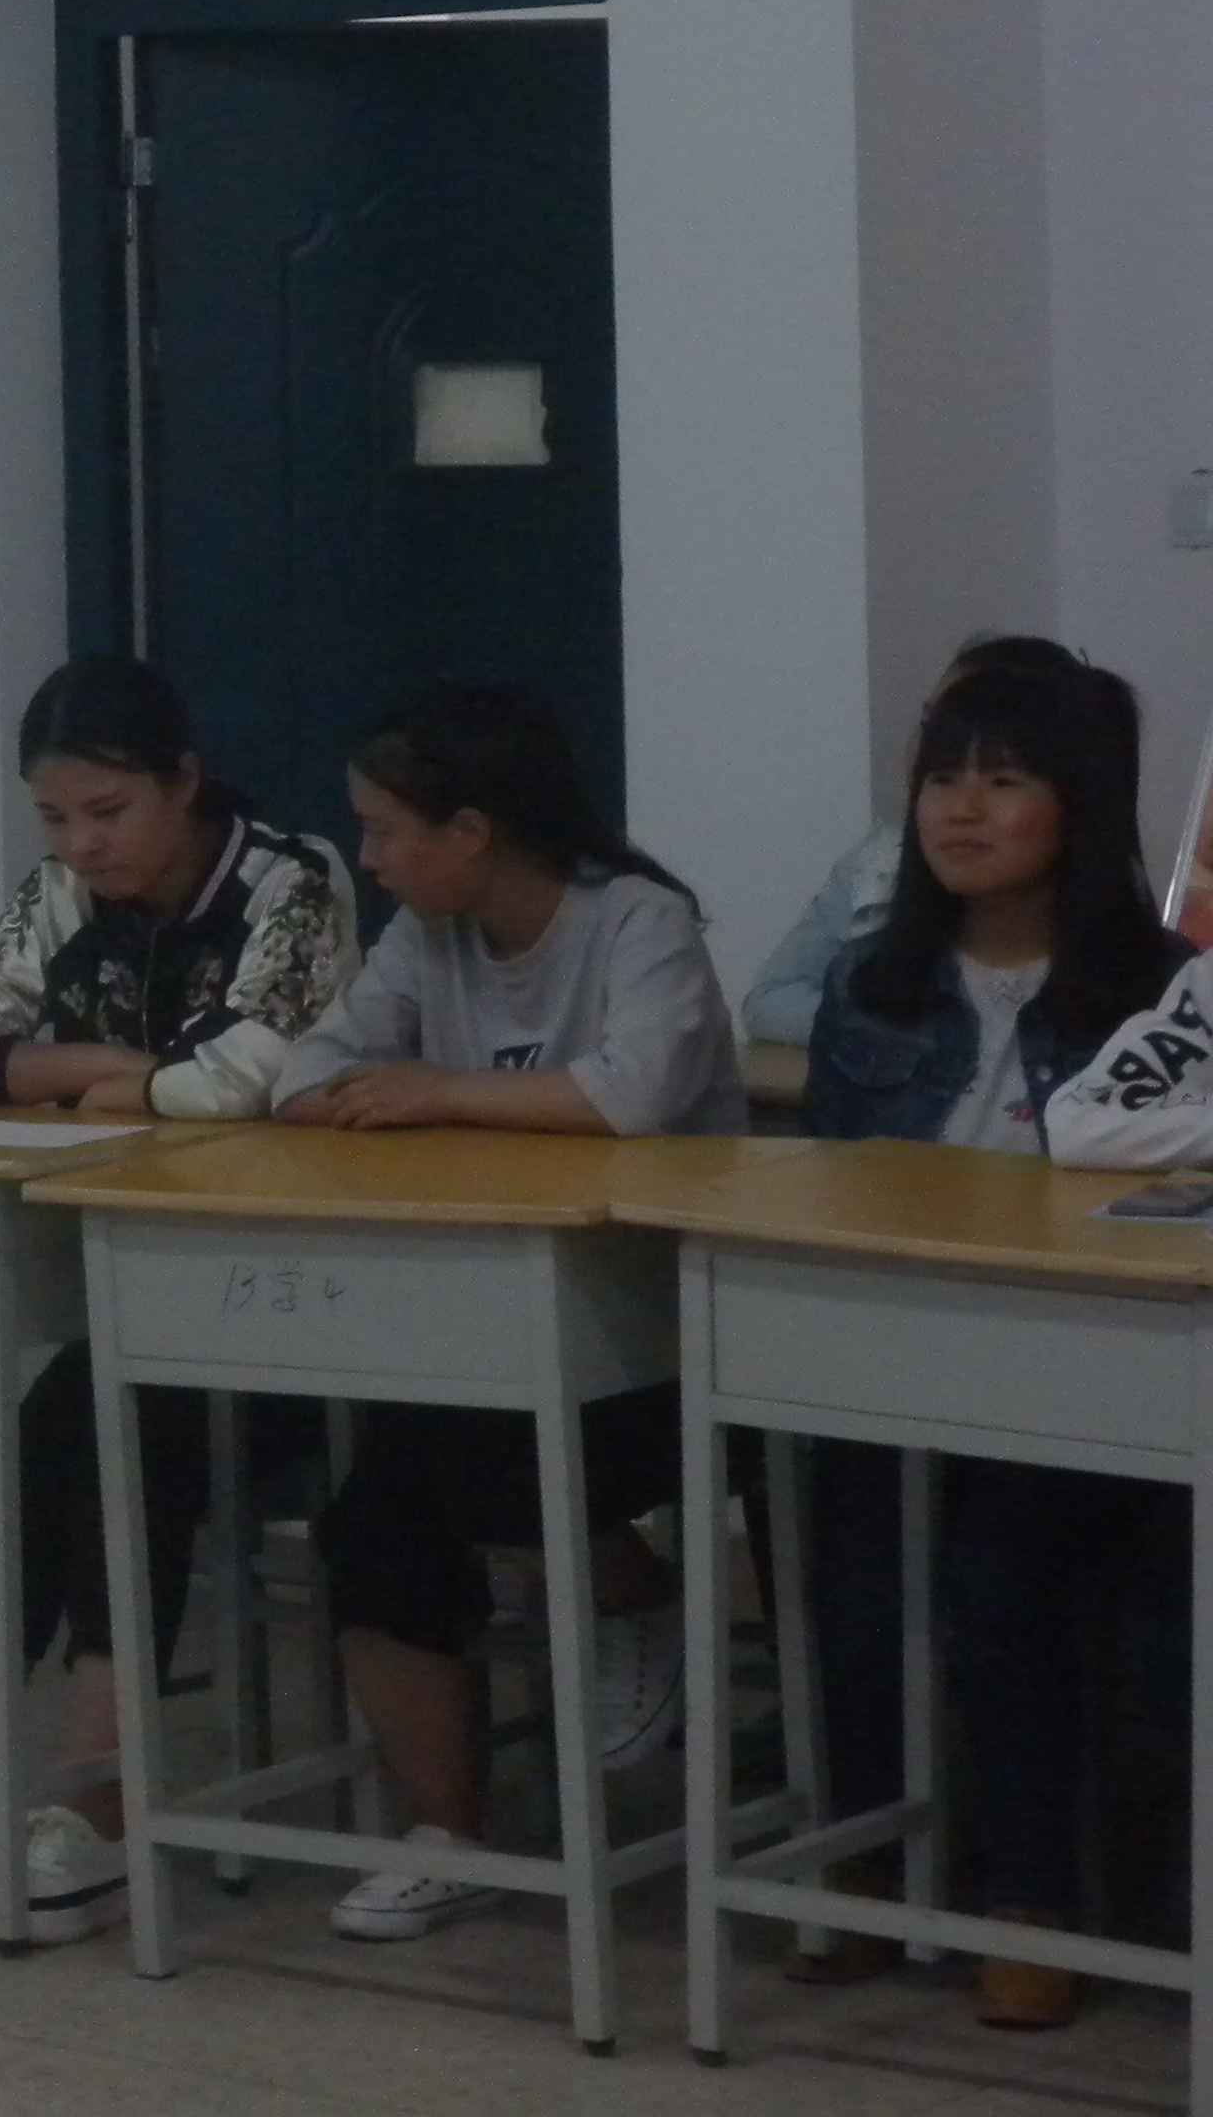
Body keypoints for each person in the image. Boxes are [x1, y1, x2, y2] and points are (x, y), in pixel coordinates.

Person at [0, 658, 359, 1939]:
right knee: (41, 1427)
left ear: (183, 783)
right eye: (54, 818)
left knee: (123, 1428)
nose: (82, 846)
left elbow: (252, 1076)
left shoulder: (290, 882)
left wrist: (74, 1077)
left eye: (108, 812)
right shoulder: (60, 897)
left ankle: (97, 1798)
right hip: (142, 1290)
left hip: (297, 1297)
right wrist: (102, 1063)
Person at [270, 682, 743, 1944]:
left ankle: (629, 1592)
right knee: (374, 1514)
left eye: (385, 829)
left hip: (660, 1337)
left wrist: (436, 1093)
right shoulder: (426, 938)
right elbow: (307, 1076)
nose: (369, 857)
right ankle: (450, 1833)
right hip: (486, 1324)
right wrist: (383, 1093)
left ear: (472, 831)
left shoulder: (637, 920)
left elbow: (632, 1092)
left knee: (461, 1449)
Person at [793, 657, 1192, 2024]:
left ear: (1079, 805)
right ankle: (865, 1861)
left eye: (1005, 780)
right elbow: (832, 1186)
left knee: (1007, 1564)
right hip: (895, 1360)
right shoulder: (872, 985)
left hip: (1092, 1378)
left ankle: (1032, 1895)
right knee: (849, 1560)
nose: (961, 810)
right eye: (942, 780)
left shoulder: (1162, 994)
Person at [734, 634, 1097, 1043]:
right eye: (932, 725)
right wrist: (902, 1030)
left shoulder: (1116, 947)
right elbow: (769, 1000)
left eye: (1001, 778)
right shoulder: (876, 862)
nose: (937, 748)